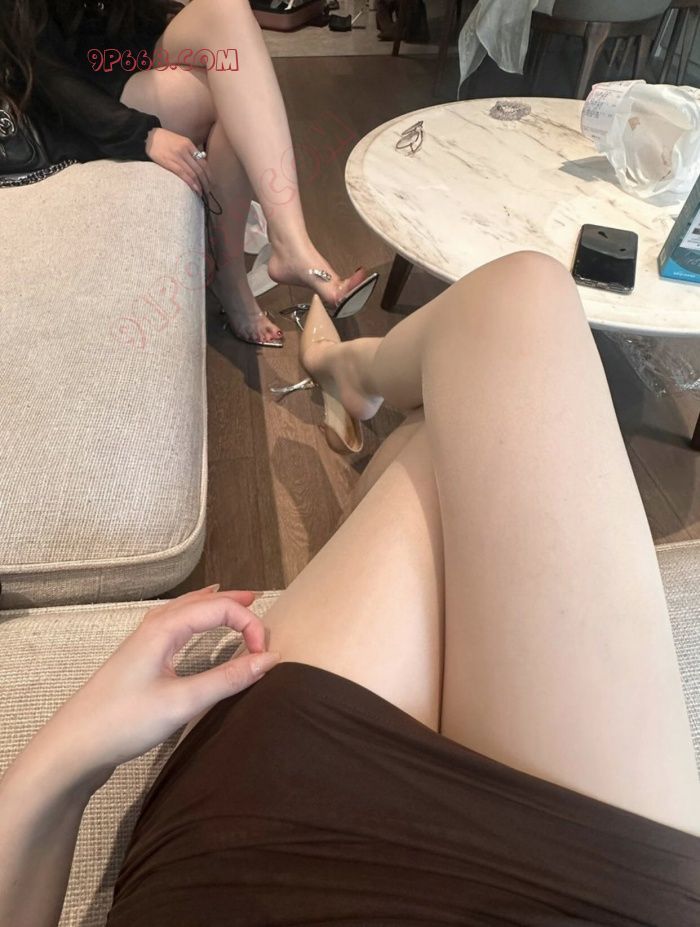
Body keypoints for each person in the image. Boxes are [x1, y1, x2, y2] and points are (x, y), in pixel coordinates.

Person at [1, 252, 698, 926]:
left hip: (275, 847)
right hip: (596, 887)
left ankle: (348, 371)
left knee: (502, 328)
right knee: (504, 322)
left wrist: (66, 758)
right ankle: (347, 369)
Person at [0, 0, 377, 346]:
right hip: (69, 99)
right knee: (235, 97)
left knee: (227, 14)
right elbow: (46, 74)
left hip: (117, 57)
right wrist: (141, 134)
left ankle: (290, 242)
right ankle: (238, 277)